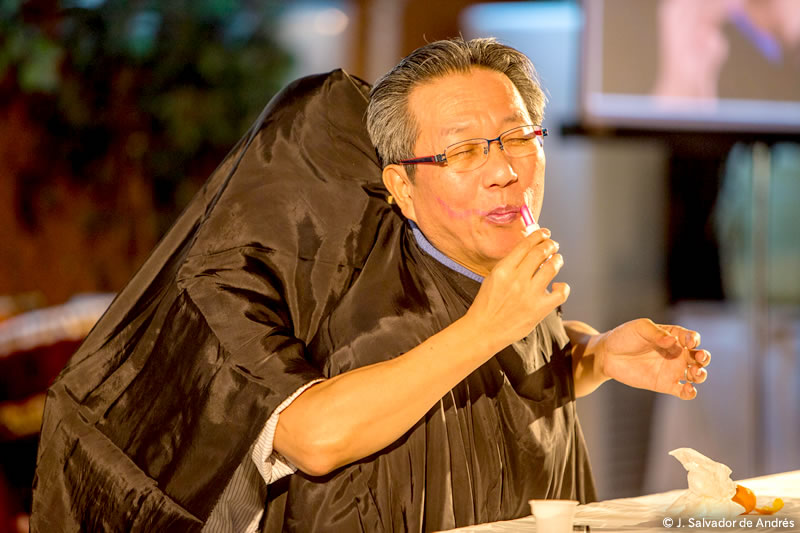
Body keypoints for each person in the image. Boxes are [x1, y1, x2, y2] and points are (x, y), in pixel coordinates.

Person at [31, 38, 710, 533]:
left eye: (517, 137)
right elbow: (315, 434)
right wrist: (486, 326)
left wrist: (597, 355)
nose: (504, 170)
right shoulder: (346, 306)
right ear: (400, 188)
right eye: (463, 151)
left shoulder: (501, 272)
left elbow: (520, 362)